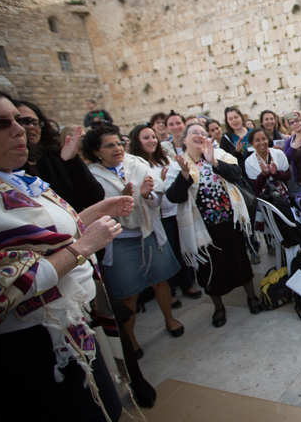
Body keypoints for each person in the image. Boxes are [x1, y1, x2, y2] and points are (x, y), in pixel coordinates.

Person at [0, 88, 131, 422]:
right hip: (32, 348)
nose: (18, 130)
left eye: (20, 121)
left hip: (69, 324)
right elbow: (3, 287)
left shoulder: (16, 181)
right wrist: (86, 245)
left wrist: (92, 214)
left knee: (103, 418)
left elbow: (47, 241)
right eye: (0, 123)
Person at [83, 126, 184, 360]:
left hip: (147, 231)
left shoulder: (137, 164)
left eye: (119, 143)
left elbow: (157, 200)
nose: (117, 148)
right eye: (110, 145)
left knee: (161, 280)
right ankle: (130, 337)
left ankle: (169, 319)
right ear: (97, 151)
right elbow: (94, 211)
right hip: (119, 239)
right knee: (128, 293)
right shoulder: (91, 175)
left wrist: (147, 194)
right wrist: (127, 196)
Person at [166, 122, 262, 327]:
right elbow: (174, 197)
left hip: (230, 221)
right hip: (202, 227)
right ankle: (218, 307)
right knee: (208, 268)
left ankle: (251, 296)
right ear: (184, 140)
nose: (200, 135)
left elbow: (236, 175)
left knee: (240, 259)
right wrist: (184, 176)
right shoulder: (176, 164)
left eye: (203, 133)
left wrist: (215, 163)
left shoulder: (219, 155)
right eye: (194, 133)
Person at [128, 124, 203, 308]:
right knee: (166, 255)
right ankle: (170, 293)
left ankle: (186, 284)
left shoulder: (164, 160)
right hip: (157, 218)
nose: (152, 140)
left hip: (175, 211)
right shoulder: (135, 165)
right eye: (146, 137)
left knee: (180, 249)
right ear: (137, 141)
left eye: (153, 137)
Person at [16, 100, 105, 212]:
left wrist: (71, 161)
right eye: (21, 122)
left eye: (34, 122)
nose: (30, 127)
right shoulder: (4, 168)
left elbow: (93, 198)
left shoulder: (55, 158)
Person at [244, 127, 292, 196]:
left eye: (264, 139)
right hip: (264, 198)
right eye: (257, 140)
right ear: (252, 144)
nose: (262, 143)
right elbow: (255, 186)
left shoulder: (279, 154)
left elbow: (288, 176)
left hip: (283, 196)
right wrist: (263, 175)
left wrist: (276, 173)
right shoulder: (249, 161)